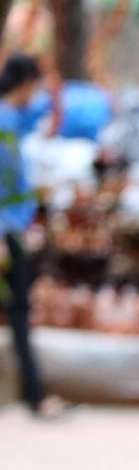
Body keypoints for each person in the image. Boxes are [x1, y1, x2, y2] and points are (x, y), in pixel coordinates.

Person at [0, 53, 67, 418]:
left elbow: (47, 112)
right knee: (20, 312)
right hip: (6, 232)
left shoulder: (14, 118)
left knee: (21, 311)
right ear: (26, 83)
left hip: (13, 229)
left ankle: (35, 393)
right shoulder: (4, 122)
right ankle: (35, 395)